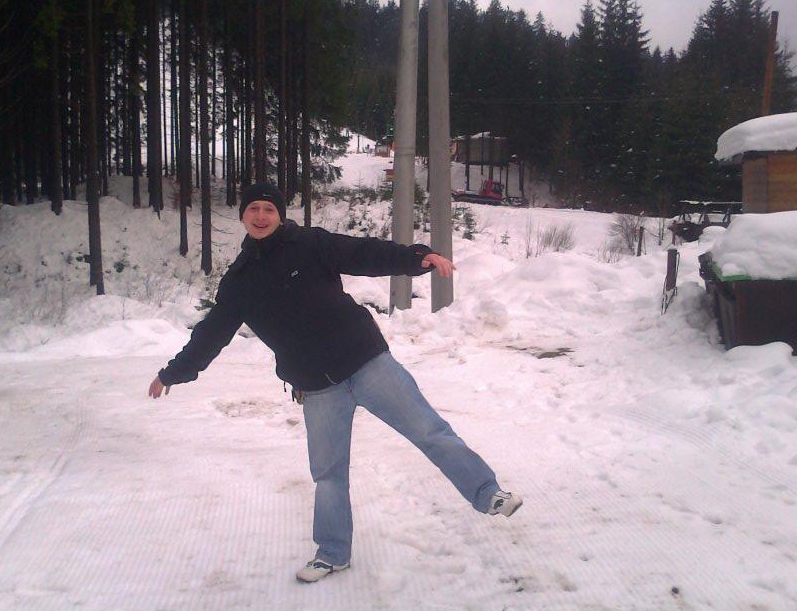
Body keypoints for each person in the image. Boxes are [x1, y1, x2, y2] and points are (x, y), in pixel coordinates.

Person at [149, 183, 522, 583]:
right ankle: (332, 553)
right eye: (253, 209)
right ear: (243, 216)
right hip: (317, 387)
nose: (260, 216)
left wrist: (417, 258)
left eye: (268, 210)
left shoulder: (309, 244)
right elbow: (210, 335)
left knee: (430, 431)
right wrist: (173, 372)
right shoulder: (239, 282)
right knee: (328, 474)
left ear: (280, 215)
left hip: (367, 362)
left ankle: (487, 493)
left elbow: (364, 253)